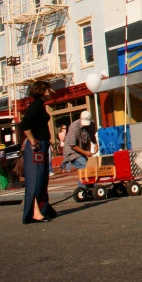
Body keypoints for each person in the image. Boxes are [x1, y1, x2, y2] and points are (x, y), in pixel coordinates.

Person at [21, 81, 57, 224]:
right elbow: (25, 124)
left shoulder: (39, 105)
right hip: (36, 147)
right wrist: (31, 140)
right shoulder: (35, 105)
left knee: (42, 178)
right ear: (42, 91)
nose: (51, 92)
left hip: (42, 144)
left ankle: (42, 209)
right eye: (48, 89)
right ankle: (35, 212)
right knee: (36, 178)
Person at [62, 111, 98, 184]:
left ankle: (86, 187)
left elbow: (92, 135)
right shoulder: (74, 126)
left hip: (83, 149)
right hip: (72, 151)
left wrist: (95, 144)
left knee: (87, 169)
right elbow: (72, 145)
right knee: (84, 167)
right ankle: (83, 189)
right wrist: (85, 153)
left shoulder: (92, 124)